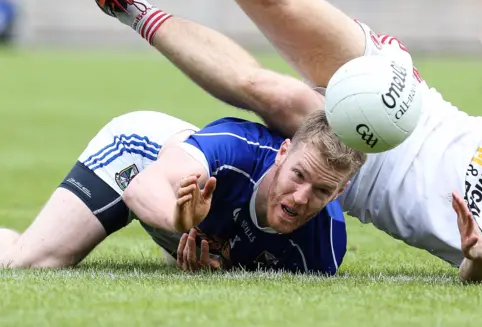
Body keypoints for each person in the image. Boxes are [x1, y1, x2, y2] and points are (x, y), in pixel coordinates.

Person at [71, 0, 482, 282]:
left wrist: (480, 255)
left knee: (274, 92)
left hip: (359, 166)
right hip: (401, 97)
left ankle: (128, 6)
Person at [0, 109, 366, 274]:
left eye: (321, 190)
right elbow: (142, 187)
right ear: (282, 153)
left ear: (339, 192)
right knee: (31, 262)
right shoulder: (234, 149)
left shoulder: (321, 251)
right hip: (139, 161)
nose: (301, 197)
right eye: (298, 175)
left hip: (197, 220)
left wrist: (220, 264)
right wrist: (179, 220)